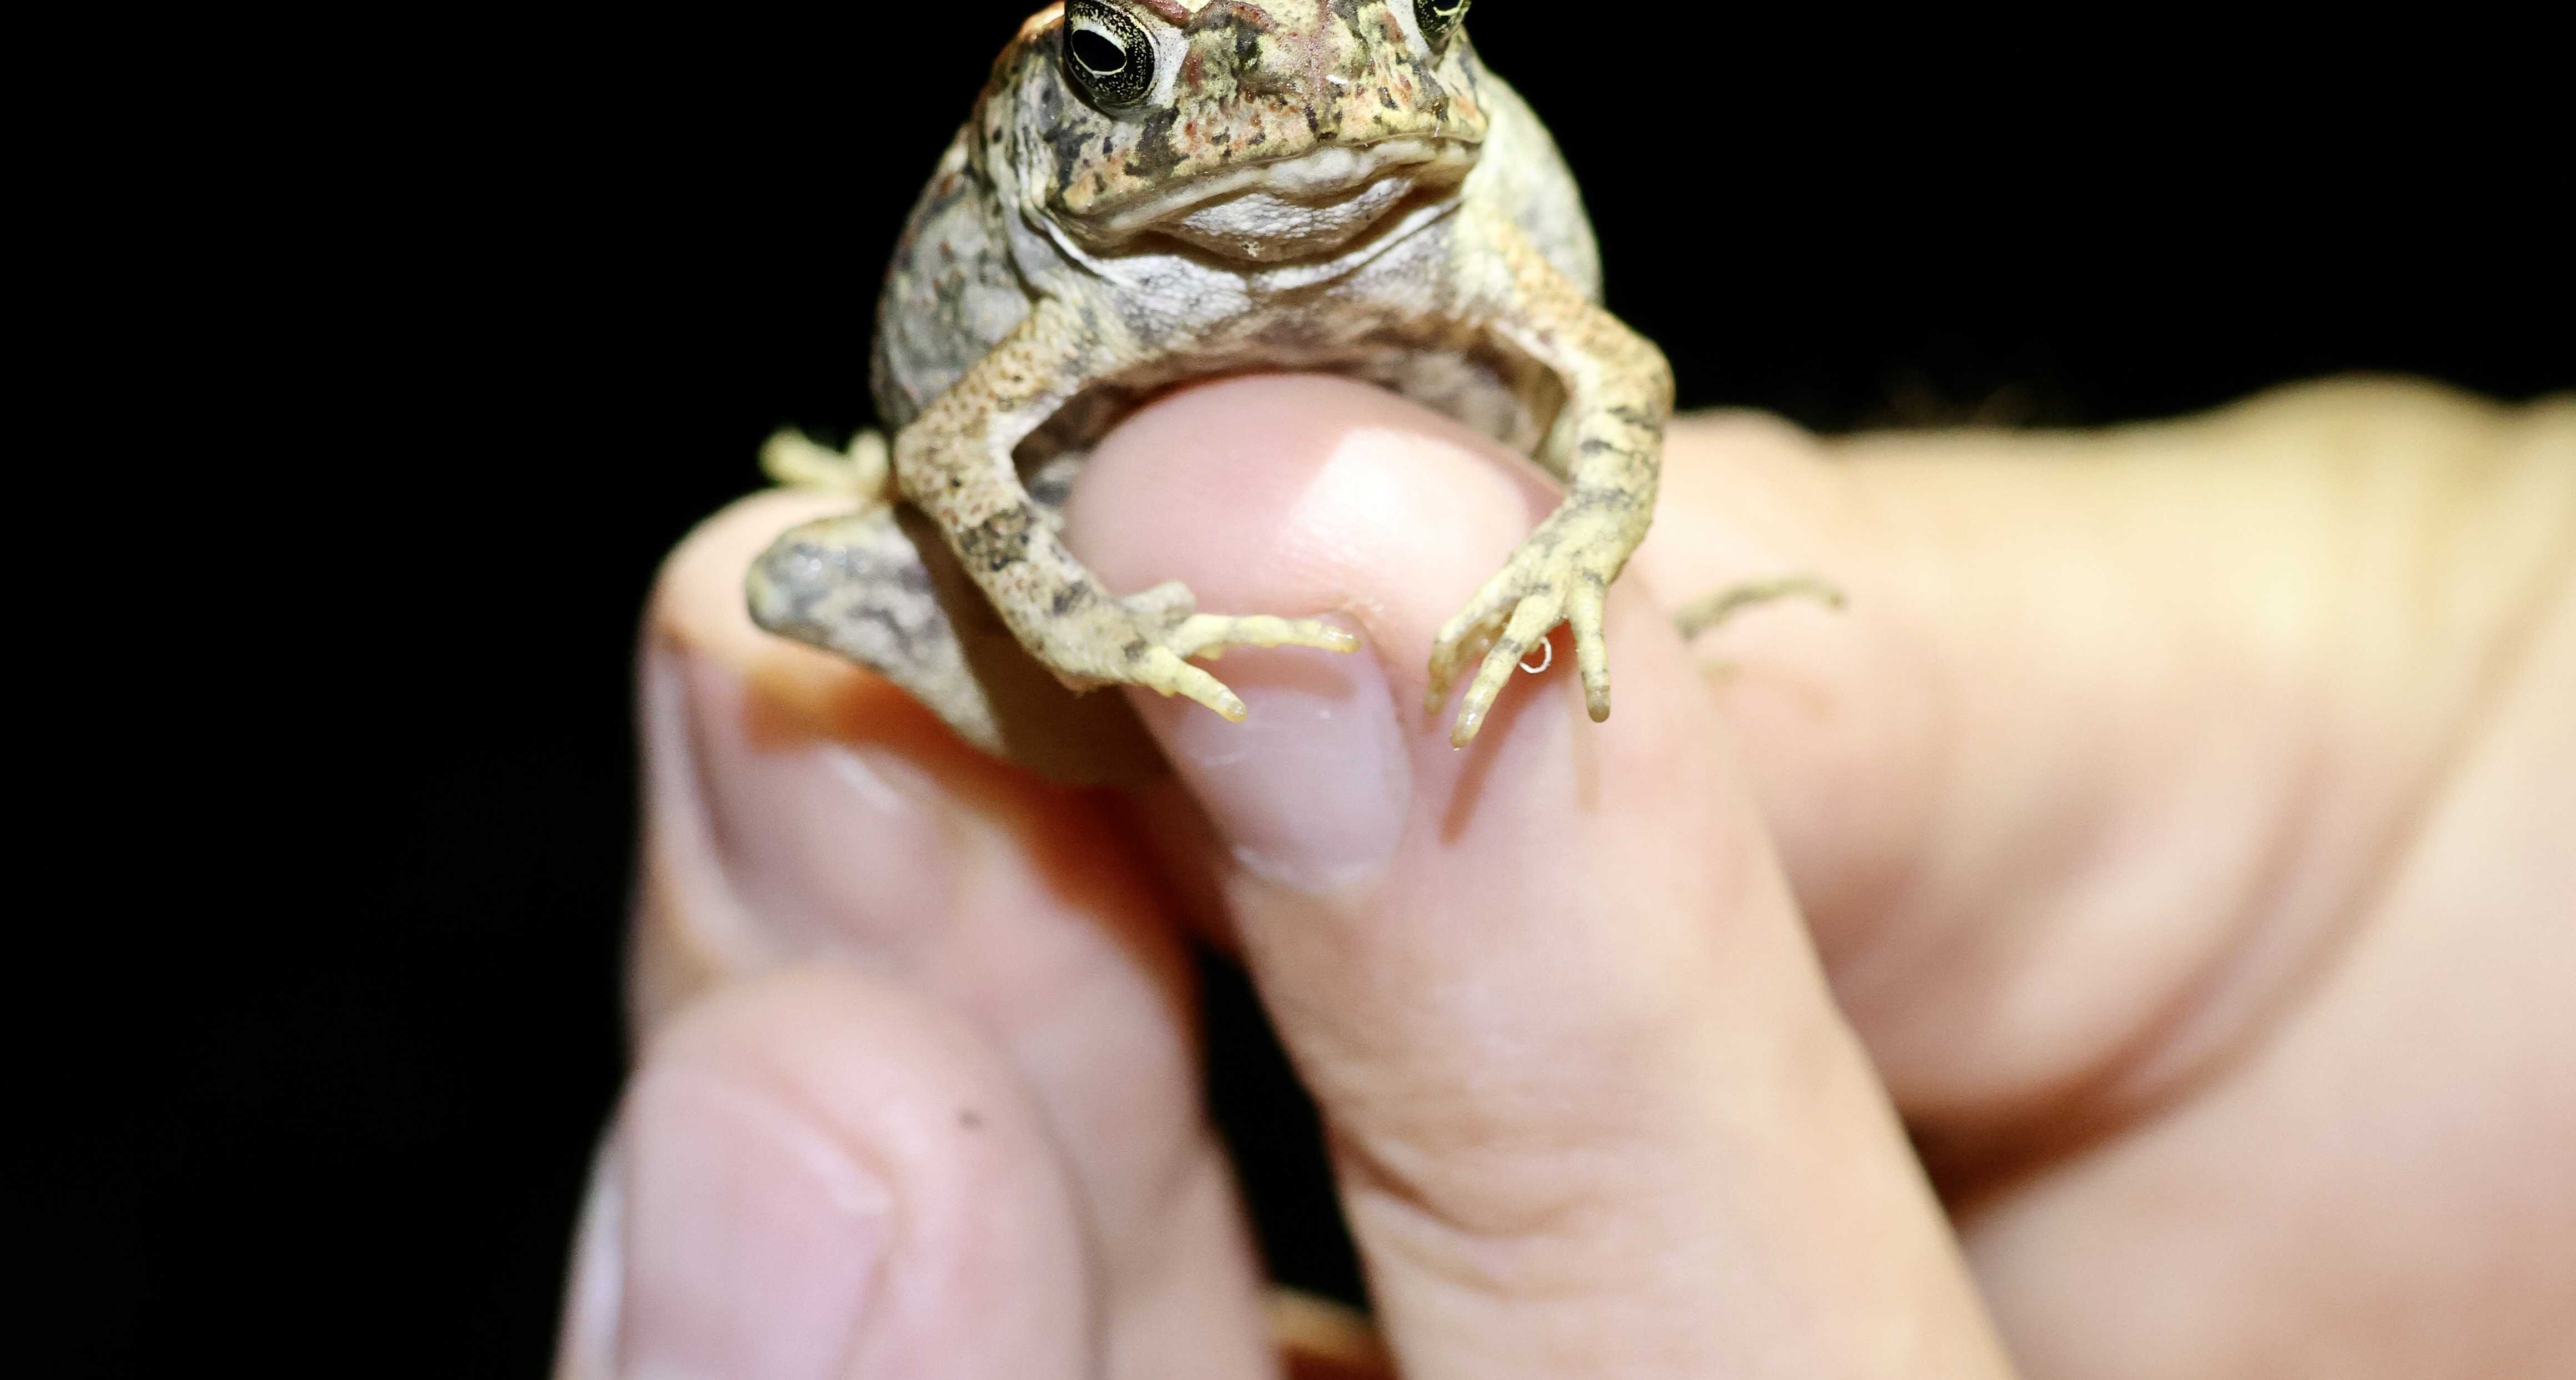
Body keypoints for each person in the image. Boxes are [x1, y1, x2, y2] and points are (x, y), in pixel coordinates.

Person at [552, 374, 2573, 1378]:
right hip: (1067, 589)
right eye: (1125, 65)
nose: (1314, 96)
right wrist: (1084, 633)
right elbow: (973, 440)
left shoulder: (1444, 206)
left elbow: (1611, 372)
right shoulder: (1075, 271)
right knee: (802, 601)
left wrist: (1571, 556)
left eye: (1416, 11)